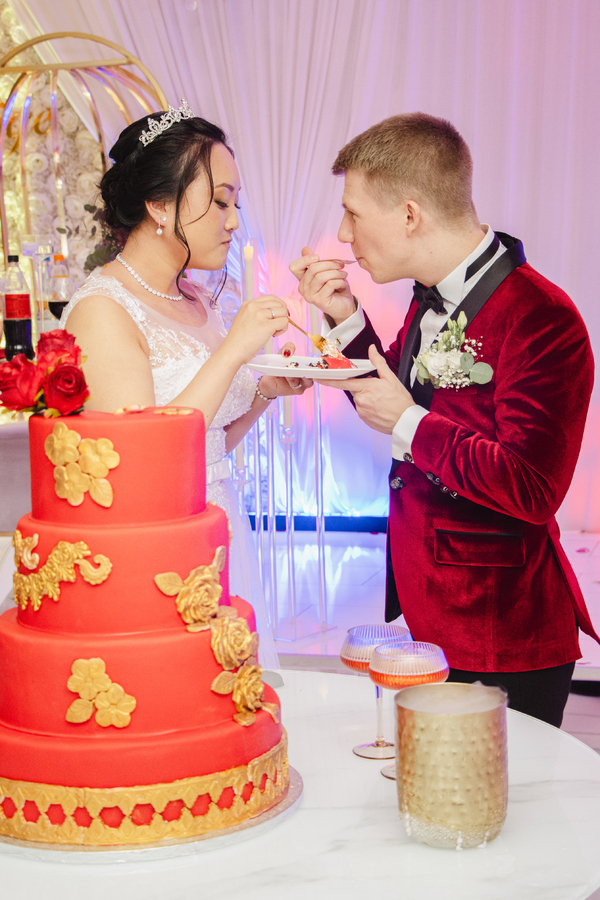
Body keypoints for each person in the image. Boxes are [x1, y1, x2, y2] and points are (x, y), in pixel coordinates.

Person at [290, 112, 598, 726]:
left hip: (502, 629)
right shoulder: (433, 299)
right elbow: (394, 401)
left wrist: (410, 421)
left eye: (353, 213)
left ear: (410, 215)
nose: (344, 234)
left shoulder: (543, 317)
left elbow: (533, 488)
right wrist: (344, 318)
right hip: (434, 612)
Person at [61, 103, 312, 669]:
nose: (234, 221)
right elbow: (145, 460)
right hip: (159, 548)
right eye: (220, 201)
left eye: (236, 204)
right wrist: (234, 350)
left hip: (219, 525)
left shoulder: (198, 300)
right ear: (158, 204)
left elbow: (209, 445)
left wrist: (266, 392)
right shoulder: (103, 312)